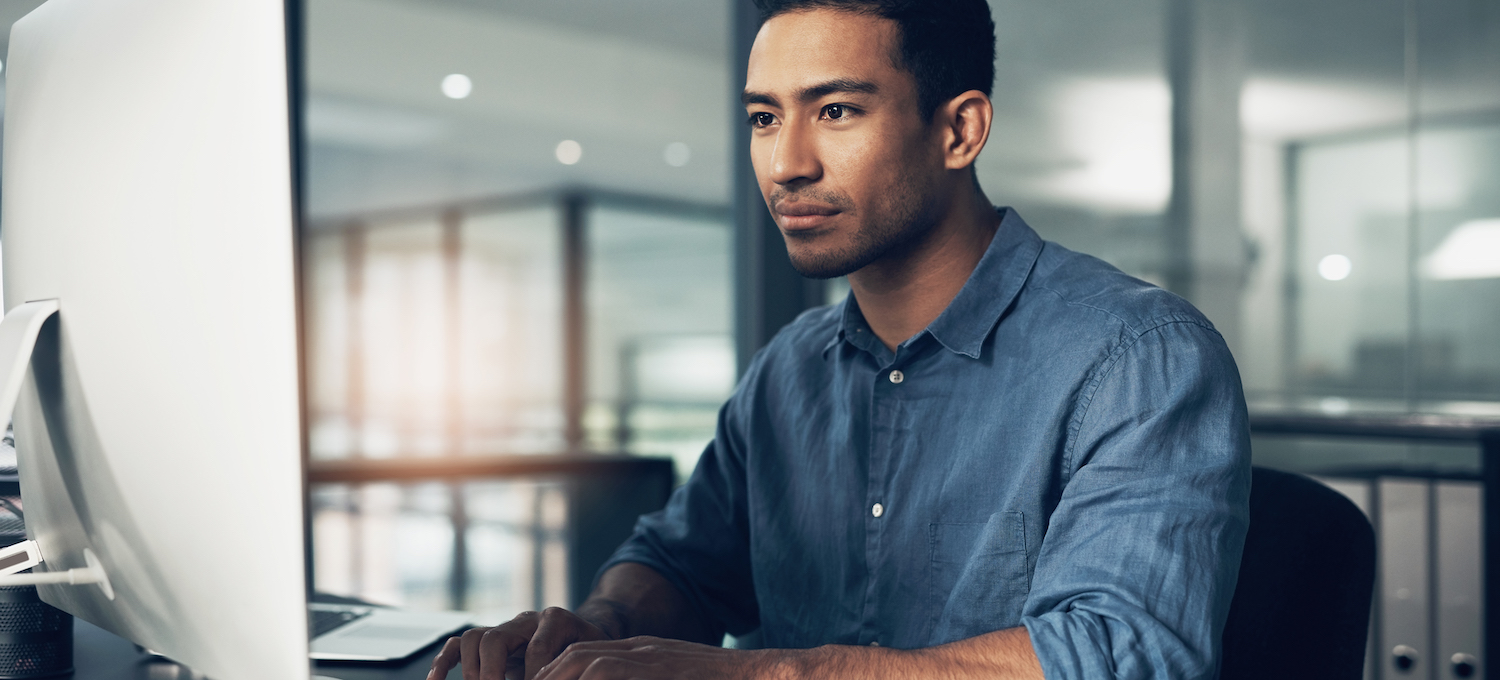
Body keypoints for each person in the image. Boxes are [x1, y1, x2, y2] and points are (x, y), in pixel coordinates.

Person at [429, 0, 1250, 678]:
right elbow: (682, 563)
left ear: (959, 131)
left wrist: (766, 673)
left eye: (836, 111)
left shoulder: (1141, 357)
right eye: (764, 117)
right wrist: (598, 627)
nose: (786, 163)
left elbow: (1120, 656)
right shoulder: (789, 369)